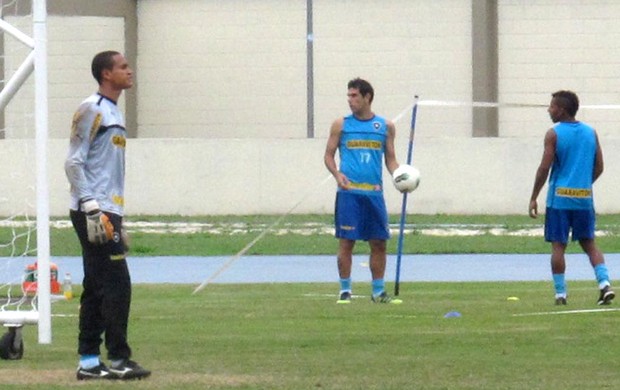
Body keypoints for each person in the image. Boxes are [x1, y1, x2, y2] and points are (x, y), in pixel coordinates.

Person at [65, 50, 151, 380]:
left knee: (97, 285)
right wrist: (91, 206)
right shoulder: (92, 109)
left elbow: (106, 171)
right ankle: (118, 358)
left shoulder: (113, 112)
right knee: (117, 284)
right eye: (123, 67)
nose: (130, 71)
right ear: (106, 74)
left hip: (107, 211)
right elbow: (73, 161)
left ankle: (88, 362)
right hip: (93, 210)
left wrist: (118, 219)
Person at [529, 90, 615, 306]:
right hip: (584, 199)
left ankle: (560, 295)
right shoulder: (590, 132)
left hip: (559, 200)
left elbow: (544, 168)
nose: (549, 110)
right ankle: (604, 284)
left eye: (552, 106)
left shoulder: (553, 134)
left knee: (558, 246)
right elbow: (599, 167)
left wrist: (534, 196)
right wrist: (583, 185)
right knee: (590, 245)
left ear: (562, 109)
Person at [324, 77, 402, 304]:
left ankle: (378, 292)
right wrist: (338, 175)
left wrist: (401, 177)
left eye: (354, 95)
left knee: (379, 242)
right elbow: (328, 155)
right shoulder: (341, 124)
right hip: (349, 194)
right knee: (347, 241)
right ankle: (345, 290)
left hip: (374, 194)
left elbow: (391, 160)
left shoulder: (385, 127)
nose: (350, 100)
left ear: (367, 97)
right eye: (348, 95)